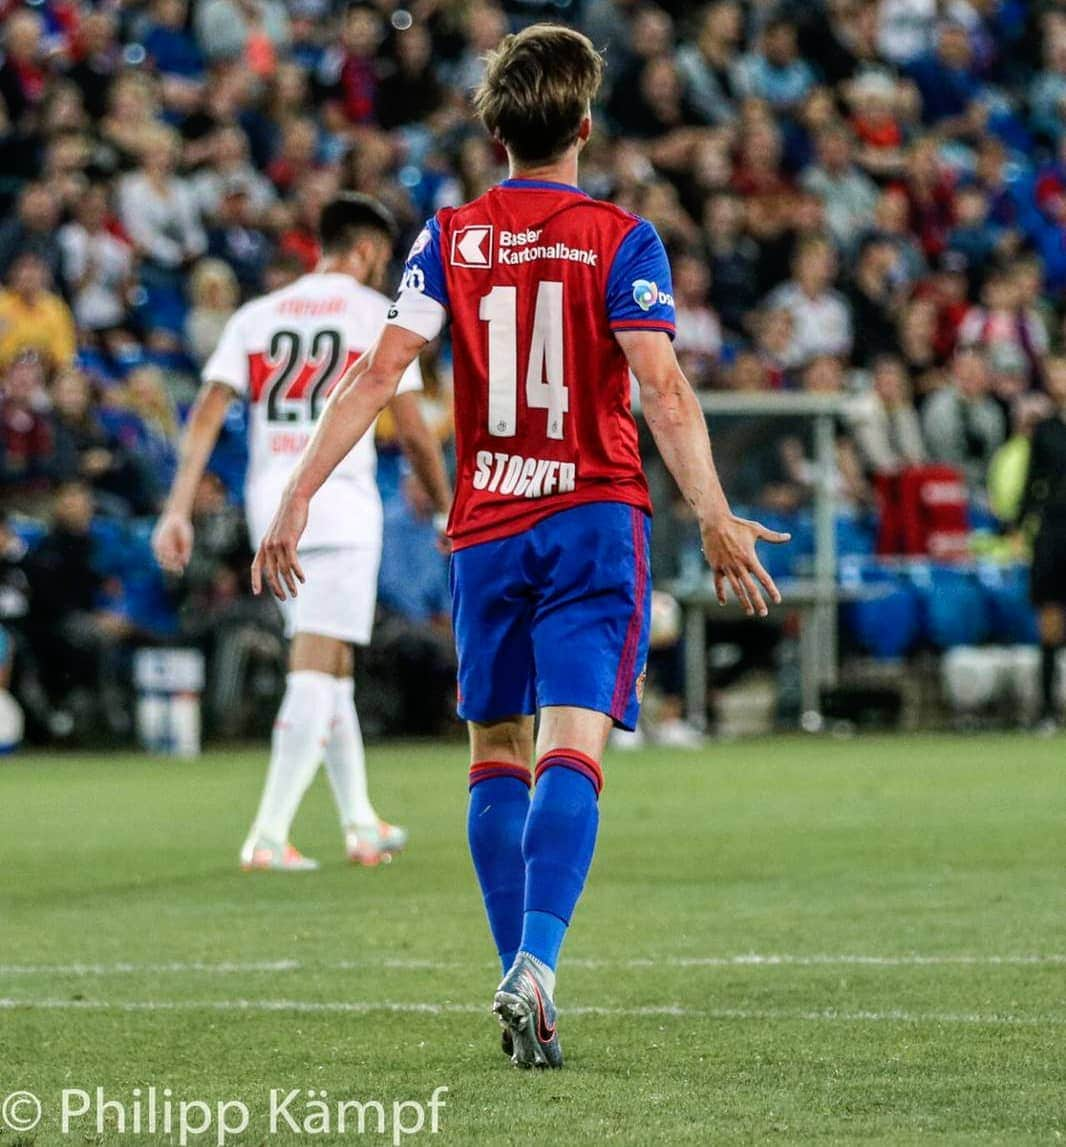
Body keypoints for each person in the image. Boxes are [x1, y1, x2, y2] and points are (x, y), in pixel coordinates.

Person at [252, 26, 787, 1068]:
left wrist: (295, 494)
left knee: (494, 753)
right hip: (592, 518)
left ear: (494, 131)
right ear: (583, 126)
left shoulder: (446, 237)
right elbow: (661, 385)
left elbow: (375, 373)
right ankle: (536, 964)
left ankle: (518, 981)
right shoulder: (621, 236)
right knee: (571, 747)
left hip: (487, 525)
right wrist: (714, 510)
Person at [153, 193, 451, 870]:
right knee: (316, 666)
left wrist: (177, 507)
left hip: (273, 502)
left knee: (333, 662)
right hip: (338, 502)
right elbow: (410, 426)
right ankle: (267, 830)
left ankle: (359, 822)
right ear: (370, 250)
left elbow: (205, 413)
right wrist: (443, 508)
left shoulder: (257, 314)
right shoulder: (375, 312)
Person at [1019, 356, 1066, 731]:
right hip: (1054, 532)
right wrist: (1018, 527)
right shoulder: (1046, 430)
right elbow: (1030, 486)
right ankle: (1047, 709)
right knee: (1050, 620)